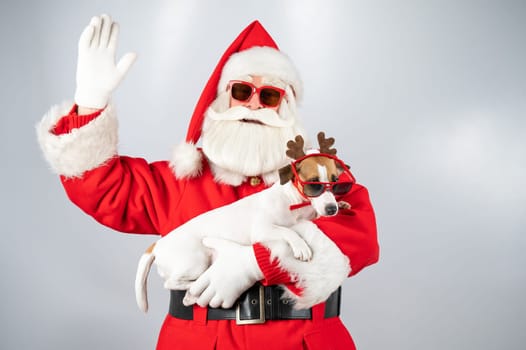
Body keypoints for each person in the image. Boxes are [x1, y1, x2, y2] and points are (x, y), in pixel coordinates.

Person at [36, 14, 379, 350]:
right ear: (218, 102)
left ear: (286, 109)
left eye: (270, 96)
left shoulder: (319, 175)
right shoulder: (178, 181)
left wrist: (254, 263)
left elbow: (358, 235)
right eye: (242, 91)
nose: (254, 105)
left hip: (304, 341)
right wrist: (89, 103)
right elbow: (100, 187)